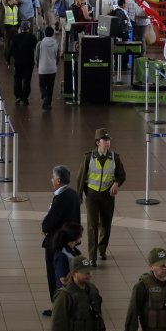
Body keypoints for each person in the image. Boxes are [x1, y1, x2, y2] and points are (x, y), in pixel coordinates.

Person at [76, 129, 126, 265]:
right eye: (105, 140)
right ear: (98, 143)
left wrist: (116, 183)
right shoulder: (88, 157)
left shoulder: (115, 157)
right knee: (92, 226)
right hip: (92, 196)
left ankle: (102, 250)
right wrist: (79, 196)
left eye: (109, 140)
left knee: (106, 224)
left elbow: (122, 175)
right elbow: (80, 178)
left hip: (107, 196)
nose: (108, 143)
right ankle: (92, 257)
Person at [41, 165, 81, 315]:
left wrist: (44, 227)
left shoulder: (60, 198)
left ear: (58, 180)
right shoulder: (73, 194)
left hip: (56, 242)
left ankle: (58, 306)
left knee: (55, 275)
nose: (51, 180)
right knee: (66, 274)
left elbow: (49, 223)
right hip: (69, 241)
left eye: (53, 178)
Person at [7, 21, 38, 105]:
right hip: (29, 62)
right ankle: (25, 98)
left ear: (21, 28)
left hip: (18, 61)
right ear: (28, 28)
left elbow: (11, 49)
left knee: (17, 78)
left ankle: (18, 96)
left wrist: (8, 60)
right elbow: (37, 48)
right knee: (27, 80)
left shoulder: (16, 37)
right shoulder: (32, 37)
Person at [52, 222, 84, 293]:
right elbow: (63, 280)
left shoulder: (73, 250)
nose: (81, 236)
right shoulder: (62, 255)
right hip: (66, 292)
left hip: (75, 289)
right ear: (74, 236)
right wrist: (76, 269)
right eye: (80, 234)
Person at [35, 26, 60, 110]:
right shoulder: (56, 44)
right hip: (52, 69)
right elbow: (57, 57)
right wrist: (56, 64)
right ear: (53, 33)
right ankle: (48, 103)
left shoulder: (40, 43)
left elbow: (37, 56)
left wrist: (37, 64)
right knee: (50, 86)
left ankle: (45, 96)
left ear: (45, 33)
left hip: (43, 68)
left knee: (42, 84)